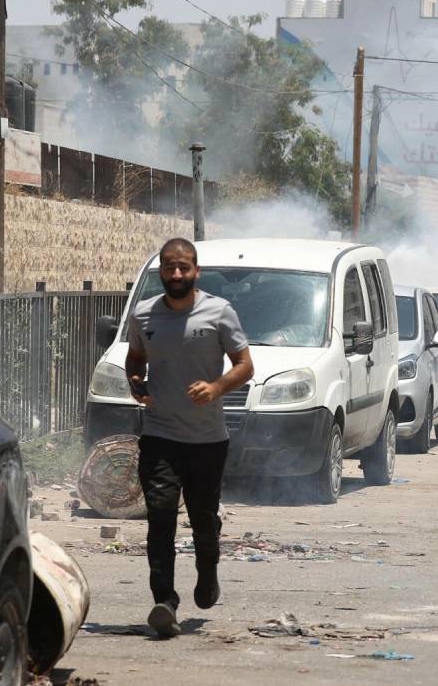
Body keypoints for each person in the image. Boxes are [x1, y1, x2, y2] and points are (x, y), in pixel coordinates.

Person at [125, 237, 253, 638]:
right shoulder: (144, 314)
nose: (176, 274)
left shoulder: (219, 311)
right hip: (159, 433)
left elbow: (245, 365)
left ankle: (207, 569)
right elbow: (135, 357)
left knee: (203, 519)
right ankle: (165, 601)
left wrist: (216, 388)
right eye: (169, 267)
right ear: (161, 271)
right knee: (160, 515)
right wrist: (135, 381)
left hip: (207, 440)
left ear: (196, 271)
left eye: (184, 267)